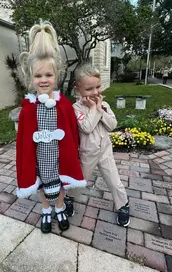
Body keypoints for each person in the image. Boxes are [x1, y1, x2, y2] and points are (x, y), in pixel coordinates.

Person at [16, 21, 86, 234]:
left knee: (61, 180)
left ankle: (59, 206)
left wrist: (73, 151)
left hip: (59, 156)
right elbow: (23, 140)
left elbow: (72, 133)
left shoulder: (63, 105)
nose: (44, 80)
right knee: (39, 181)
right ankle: (46, 208)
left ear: (57, 76)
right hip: (37, 157)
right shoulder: (28, 108)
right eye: (38, 76)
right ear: (31, 78)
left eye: (48, 75)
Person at [72, 64, 130, 227]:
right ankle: (69, 198)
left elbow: (112, 124)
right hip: (87, 153)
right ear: (78, 90)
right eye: (89, 89)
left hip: (105, 151)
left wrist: (100, 109)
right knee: (80, 180)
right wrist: (93, 108)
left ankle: (123, 204)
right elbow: (87, 127)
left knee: (114, 180)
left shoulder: (105, 106)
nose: (95, 92)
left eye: (98, 87)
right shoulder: (76, 109)